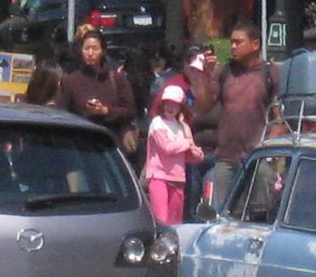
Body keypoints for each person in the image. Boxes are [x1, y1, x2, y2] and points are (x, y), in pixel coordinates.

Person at [190, 24, 274, 208]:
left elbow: (280, 119)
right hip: (226, 158)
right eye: (231, 42)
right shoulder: (225, 72)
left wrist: (267, 151)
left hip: (257, 158)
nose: (233, 46)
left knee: (261, 212)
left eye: (238, 42)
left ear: (255, 44)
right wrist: (205, 76)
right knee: (224, 215)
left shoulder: (270, 73)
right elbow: (203, 107)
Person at [55, 29, 136, 144]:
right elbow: (61, 113)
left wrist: (106, 111)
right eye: (86, 48)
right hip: (81, 144)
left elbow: (130, 112)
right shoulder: (70, 81)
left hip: (110, 144)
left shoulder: (117, 78)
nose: (90, 53)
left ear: (103, 51)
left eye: (95, 48)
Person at [144, 85, 204, 225]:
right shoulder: (157, 123)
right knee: (162, 219)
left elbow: (188, 156)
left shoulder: (182, 127)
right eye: (168, 103)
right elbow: (166, 148)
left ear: (181, 108)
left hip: (178, 178)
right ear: (162, 103)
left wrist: (197, 153)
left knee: (176, 222)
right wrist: (187, 143)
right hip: (159, 177)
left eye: (175, 105)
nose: (170, 107)